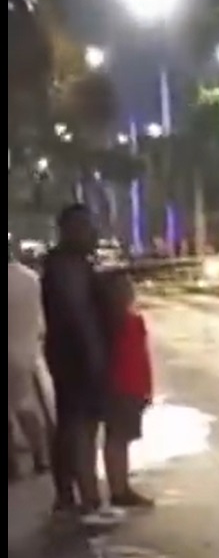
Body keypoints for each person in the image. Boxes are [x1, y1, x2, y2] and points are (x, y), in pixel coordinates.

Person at [40, 204, 108, 519]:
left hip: (71, 357)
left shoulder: (70, 264)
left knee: (72, 425)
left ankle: (69, 495)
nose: (93, 233)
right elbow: (77, 316)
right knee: (78, 427)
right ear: (69, 230)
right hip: (76, 360)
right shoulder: (66, 267)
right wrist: (95, 360)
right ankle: (85, 497)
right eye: (85, 227)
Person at [98, 271, 153, 507]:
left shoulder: (104, 325)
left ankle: (119, 487)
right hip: (130, 388)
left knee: (115, 439)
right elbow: (140, 359)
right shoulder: (132, 322)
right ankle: (120, 490)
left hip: (114, 387)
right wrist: (147, 389)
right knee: (120, 441)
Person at [8, 249, 50, 478]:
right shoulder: (31, 278)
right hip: (27, 352)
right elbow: (41, 321)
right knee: (26, 406)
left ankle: (12, 465)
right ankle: (41, 456)